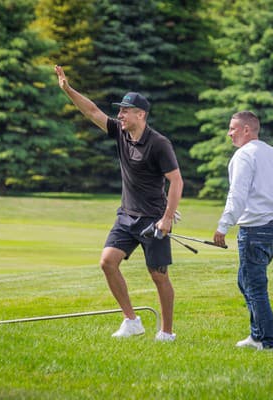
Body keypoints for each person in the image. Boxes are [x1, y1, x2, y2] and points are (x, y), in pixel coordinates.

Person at [54, 65, 183, 342]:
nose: (120, 115)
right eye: (120, 110)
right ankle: (131, 320)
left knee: (159, 276)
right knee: (107, 263)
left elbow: (177, 181)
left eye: (125, 111)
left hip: (153, 220)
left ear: (141, 114)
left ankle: (167, 332)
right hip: (126, 216)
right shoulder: (120, 133)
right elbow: (92, 112)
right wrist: (68, 90)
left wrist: (168, 218)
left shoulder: (159, 144)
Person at [212, 111, 273, 351]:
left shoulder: (244, 155)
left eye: (232, 128)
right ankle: (256, 335)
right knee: (245, 280)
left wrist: (223, 226)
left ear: (247, 130)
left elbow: (237, 194)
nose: (229, 133)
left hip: (254, 229)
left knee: (255, 286)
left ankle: (268, 343)